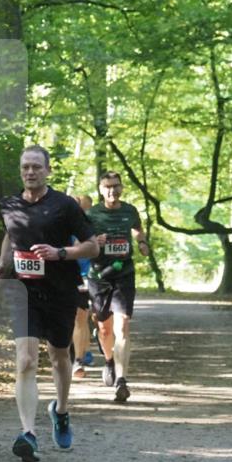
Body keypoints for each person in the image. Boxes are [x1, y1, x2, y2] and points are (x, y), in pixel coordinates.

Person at [0, 145, 98, 462]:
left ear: (48, 170)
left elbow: (92, 246)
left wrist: (61, 253)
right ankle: (28, 433)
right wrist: (2, 264)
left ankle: (61, 411)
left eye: (37, 166)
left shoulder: (65, 205)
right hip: (24, 291)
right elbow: (10, 235)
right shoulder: (9, 204)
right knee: (25, 360)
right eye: (25, 166)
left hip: (60, 291)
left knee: (59, 355)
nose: (30, 172)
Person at [86, 170, 151, 402]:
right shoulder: (91, 214)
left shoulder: (130, 211)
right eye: (107, 186)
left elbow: (138, 229)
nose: (112, 190)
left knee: (122, 325)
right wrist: (95, 241)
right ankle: (109, 361)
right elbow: (80, 241)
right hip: (99, 275)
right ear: (101, 189)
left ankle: (122, 380)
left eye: (116, 186)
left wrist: (142, 243)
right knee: (104, 329)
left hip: (124, 272)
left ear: (121, 187)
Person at [71, 195, 94, 379]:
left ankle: (79, 359)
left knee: (81, 317)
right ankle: (77, 354)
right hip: (62, 276)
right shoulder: (57, 224)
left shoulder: (88, 226)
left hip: (84, 276)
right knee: (72, 320)